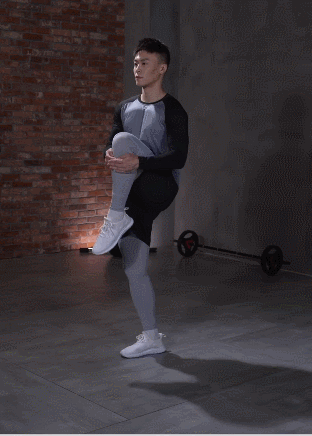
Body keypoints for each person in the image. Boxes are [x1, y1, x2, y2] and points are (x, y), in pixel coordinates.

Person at [92, 38, 189, 358]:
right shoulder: (124, 107)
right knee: (134, 269)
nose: (137, 68)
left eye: (144, 63)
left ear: (162, 69)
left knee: (123, 140)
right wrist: (109, 154)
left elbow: (179, 157)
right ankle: (151, 337)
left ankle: (115, 215)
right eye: (135, 62)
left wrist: (140, 162)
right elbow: (112, 144)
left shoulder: (173, 109)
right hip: (135, 194)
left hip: (159, 184)